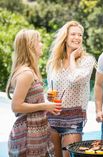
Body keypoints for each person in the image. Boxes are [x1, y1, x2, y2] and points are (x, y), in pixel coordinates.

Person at [6, 29, 62, 157]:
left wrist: (45, 103)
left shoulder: (30, 71)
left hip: (37, 132)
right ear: (30, 46)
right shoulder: (26, 73)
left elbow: (29, 101)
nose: (42, 44)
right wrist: (45, 106)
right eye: (39, 41)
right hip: (28, 136)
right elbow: (16, 106)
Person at [46, 21, 96, 157]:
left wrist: (72, 57)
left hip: (73, 119)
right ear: (65, 37)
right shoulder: (54, 62)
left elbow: (76, 78)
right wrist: (49, 97)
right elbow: (51, 87)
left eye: (80, 35)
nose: (77, 37)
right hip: (53, 117)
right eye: (73, 34)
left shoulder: (87, 61)